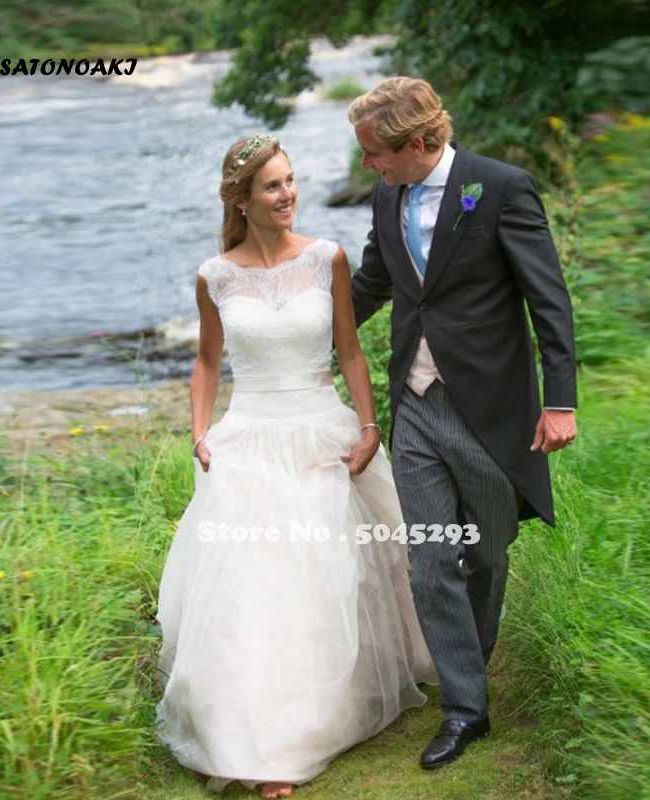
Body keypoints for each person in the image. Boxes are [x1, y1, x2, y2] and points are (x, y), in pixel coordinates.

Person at [154, 134, 436, 799]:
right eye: (272, 186)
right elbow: (207, 362)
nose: (288, 195)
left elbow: (350, 351)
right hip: (249, 437)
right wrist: (200, 433)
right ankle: (251, 731)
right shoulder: (215, 275)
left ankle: (316, 715)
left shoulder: (325, 257)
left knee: (322, 572)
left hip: (320, 430)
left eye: (290, 180)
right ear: (242, 200)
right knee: (252, 582)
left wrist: (368, 427)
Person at [347, 78, 578, 769]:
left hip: (490, 406)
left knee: (486, 552)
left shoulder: (501, 189)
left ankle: (468, 667)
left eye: (374, 153)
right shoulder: (386, 195)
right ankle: (464, 709)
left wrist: (560, 400)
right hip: (415, 404)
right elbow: (372, 282)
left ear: (418, 142)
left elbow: (548, 297)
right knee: (429, 560)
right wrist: (304, 333)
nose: (366, 165)